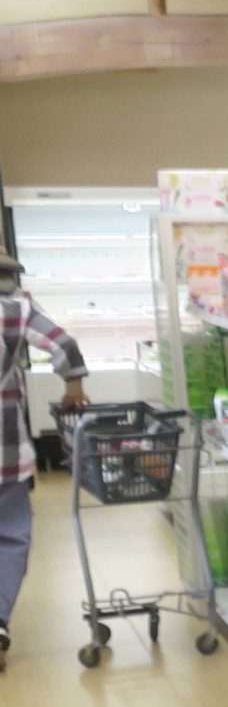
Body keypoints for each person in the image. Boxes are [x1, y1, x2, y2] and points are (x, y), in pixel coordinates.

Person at [0, 246, 89, 666]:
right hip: (5, 451)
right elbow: (63, 344)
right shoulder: (17, 307)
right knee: (10, 535)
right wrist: (74, 385)